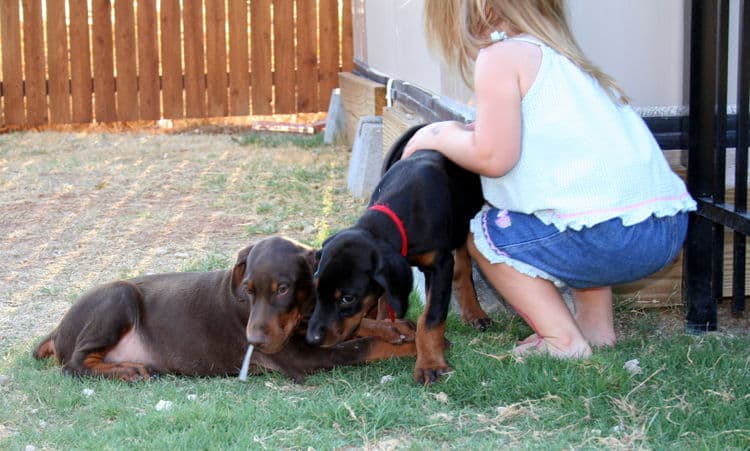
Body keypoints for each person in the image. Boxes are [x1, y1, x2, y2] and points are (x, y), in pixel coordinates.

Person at [402, 0, 696, 358]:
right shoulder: (566, 59)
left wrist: (436, 135)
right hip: (664, 228)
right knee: (577, 208)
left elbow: (493, 158)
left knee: (485, 234)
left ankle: (562, 339)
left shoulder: (500, 58)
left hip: (610, 236)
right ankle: (594, 327)